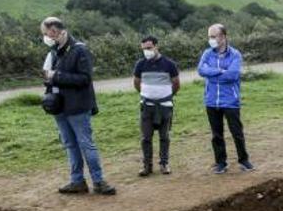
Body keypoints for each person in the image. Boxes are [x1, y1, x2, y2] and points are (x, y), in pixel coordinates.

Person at [41, 17, 116, 195]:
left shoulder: (80, 50)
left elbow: (85, 79)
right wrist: (48, 82)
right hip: (59, 107)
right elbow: (49, 76)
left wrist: (55, 76)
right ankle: (77, 182)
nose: (44, 37)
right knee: (69, 144)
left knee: (86, 144)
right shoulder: (53, 51)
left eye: (45, 33)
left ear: (54, 30)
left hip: (77, 106)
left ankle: (99, 182)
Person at [197, 24, 254, 174]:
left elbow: (233, 75)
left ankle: (244, 160)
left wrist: (212, 74)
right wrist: (220, 71)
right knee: (217, 134)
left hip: (230, 101)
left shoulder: (235, 54)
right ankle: (221, 162)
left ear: (223, 37)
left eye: (213, 36)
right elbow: (201, 70)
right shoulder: (207, 53)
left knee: (237, 132)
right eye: (209, 36)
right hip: (211, 101)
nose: (211, 40)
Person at [133, 35, 180, 176]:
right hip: (146, 106)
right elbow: (136, 82)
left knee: (164, 136)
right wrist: (147, 94)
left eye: (149, 48)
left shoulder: (169, 64)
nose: (146, 51)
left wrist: (165, 96)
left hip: (165, 106)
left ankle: (164, 164)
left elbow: (176, 84)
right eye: (144, 49)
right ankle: (147, 166)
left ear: (156, 47)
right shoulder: (140, 64)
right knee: (146, 137)